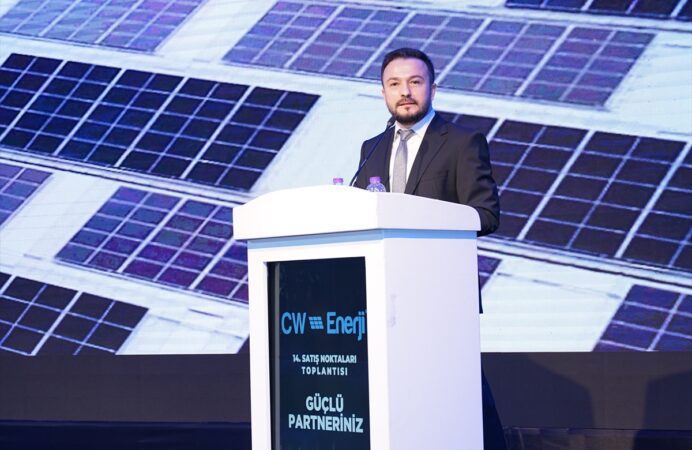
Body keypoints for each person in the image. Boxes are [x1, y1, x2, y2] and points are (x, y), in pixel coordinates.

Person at [354, 48, 506, 450]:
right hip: (385, 299)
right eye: (394, 84)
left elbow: (486, 214)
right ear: (383, 93)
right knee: (404, 404)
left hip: (442, 298)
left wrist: (422, 220)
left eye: (415, 82)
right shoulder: (372, 148)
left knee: (460, 399)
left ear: (432, 89)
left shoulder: (462, 142)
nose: (405, 92)